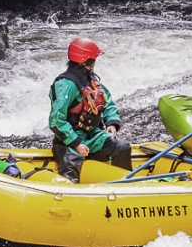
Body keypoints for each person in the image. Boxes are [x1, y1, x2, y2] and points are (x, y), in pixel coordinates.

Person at [49, 37, 132, 183]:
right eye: (94, 58)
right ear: (85, 61)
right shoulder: (65, 85)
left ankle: (125, 187)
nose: (95, 61)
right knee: (71, 166)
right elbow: (56, 120)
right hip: (68, 140)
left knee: (122, 147)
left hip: (93, 136)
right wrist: (76, 143)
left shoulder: (92, 80)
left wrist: (112, 123)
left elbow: (108, 103)